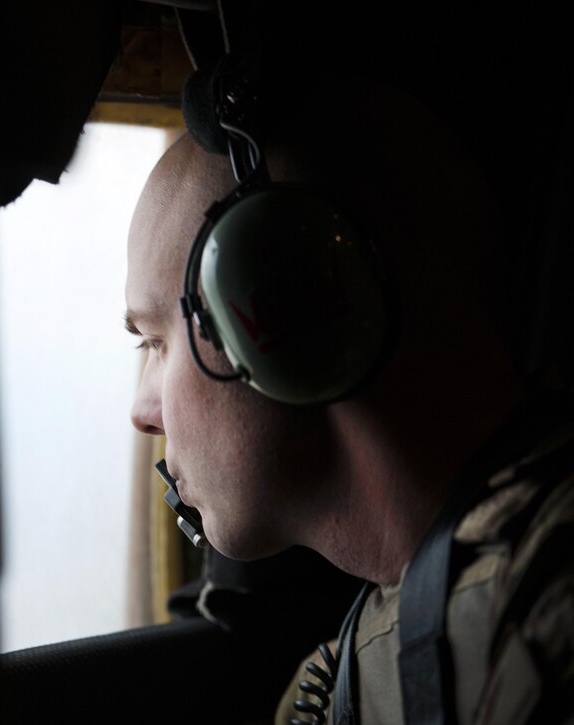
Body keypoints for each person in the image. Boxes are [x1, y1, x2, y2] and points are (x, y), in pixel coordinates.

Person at [122, 5, 573, 723]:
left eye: (154, 342)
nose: (142, 411)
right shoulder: (355, 668)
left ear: (283, 305)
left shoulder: (547, 626)